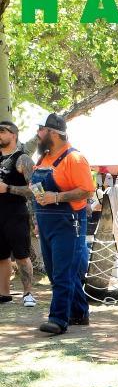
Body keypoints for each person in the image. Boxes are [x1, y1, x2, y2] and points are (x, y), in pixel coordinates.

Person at [30, 112, 95, 335]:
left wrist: (56, 197)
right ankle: (79, 312)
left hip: (69, 222)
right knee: (56, 271)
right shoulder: (43, 159)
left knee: (62, 273)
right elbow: (36, 189)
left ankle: (58, 319)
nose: (38, 134)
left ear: (54, 133)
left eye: (41, 130)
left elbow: (86, 190)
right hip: (46, 222)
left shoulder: (74, 158)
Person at [0, 119, 36, 307]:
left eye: (2, 131)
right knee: (1, 256)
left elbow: (36, 190)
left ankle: (28, 293)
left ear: (13, 135)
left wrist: (8, 188)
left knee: (22, 255)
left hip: (16, 213)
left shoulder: (23, 159)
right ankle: (4, 294)